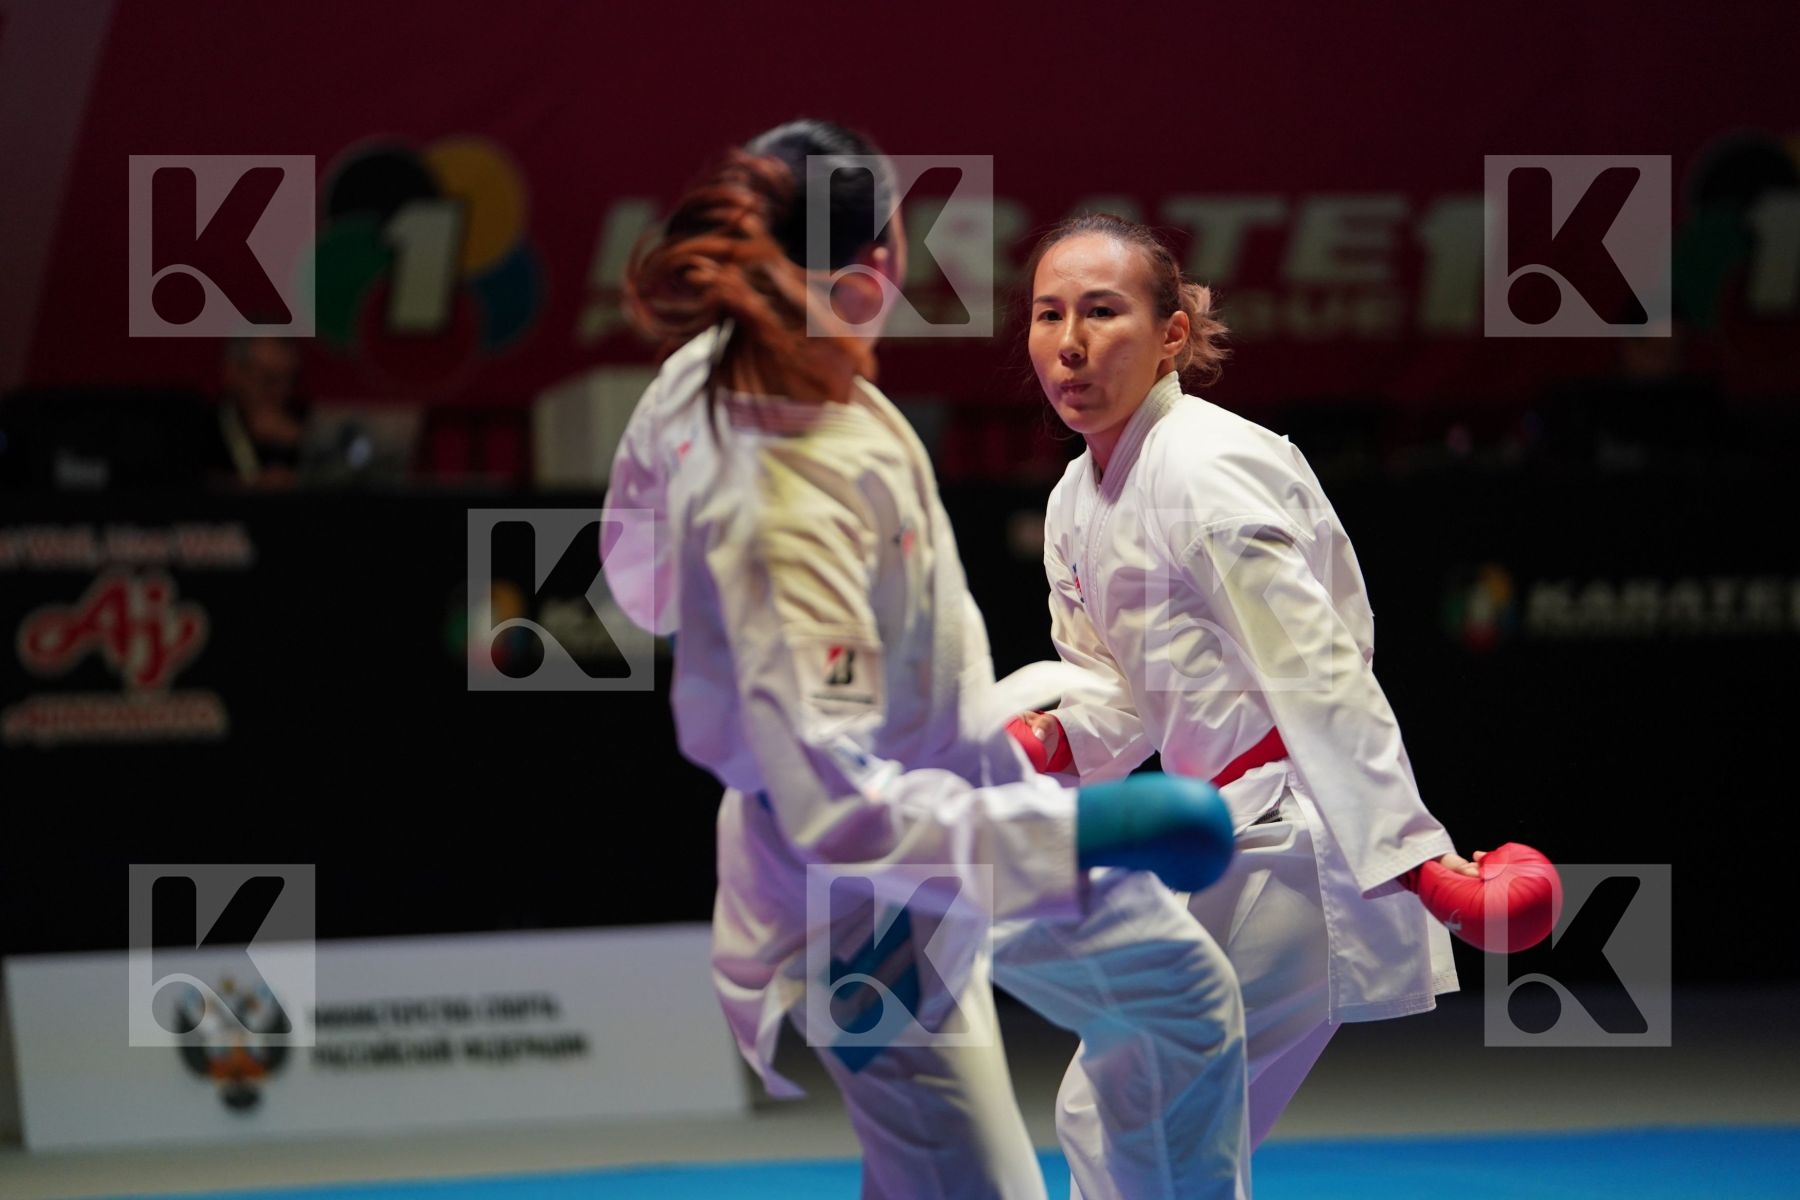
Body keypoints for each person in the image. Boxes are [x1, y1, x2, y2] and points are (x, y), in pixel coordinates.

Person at [605, 122, 1251, 1200]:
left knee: (1178, 1003)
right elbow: (842, 816)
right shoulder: (788, 495)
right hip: (856, 900)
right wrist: (1101, 823)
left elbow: (638, 584)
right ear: (878, 267)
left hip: (971, 805)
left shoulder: (705, 376)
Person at [1017, 212, 1486, 1153]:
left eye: (1102, 312)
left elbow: (1316, 670)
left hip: (1306, 840)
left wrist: (1417, 855)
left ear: (1171, 336)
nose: (1069, 344)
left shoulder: (1207, 465)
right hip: (1229, 836)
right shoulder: (1077, 497)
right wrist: (1050, 740)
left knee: (1127, 1112)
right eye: (1047, 314)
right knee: (1159, 1126)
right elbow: (1116, 691)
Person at [202, 334, 308, 489]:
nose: (282, 391)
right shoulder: (204, 425)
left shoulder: (303, 419)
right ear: (233, 372)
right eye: (269, 379)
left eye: (291, 379)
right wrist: (251, 486)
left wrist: (303, 441)